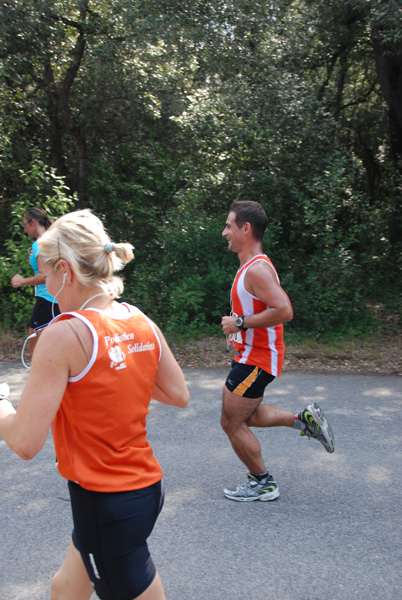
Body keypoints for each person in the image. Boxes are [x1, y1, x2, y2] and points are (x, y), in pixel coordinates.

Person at [0, 209, 190, 600]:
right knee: (65, 589)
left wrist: (1, 403)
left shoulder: (63, 334)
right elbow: (177, 393)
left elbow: (24, 442)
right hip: (142, 491)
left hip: (106, 504)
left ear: (66, 270)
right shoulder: (139, 319)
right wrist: (111, 368)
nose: (48, 285)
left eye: (48, 273)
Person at [220, 200, 335, 502]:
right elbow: (259, 309)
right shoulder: (251, 266)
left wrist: (240, 323)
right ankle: (304, 420)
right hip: (253, 355)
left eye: (229, 226)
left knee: (232, 422)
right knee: (249, 416)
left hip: (257, 359)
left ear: (246, 229)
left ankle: (263, 482)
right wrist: (239, 332)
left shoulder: (257, 269)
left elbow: (284, 310)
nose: (224, 232)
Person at [10, 207, 60, 355]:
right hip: (59, 299)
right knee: (52, 349)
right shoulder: (53, 239)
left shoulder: (40, 243)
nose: (25, 229)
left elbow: (44, 276)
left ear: (33, 222)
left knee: (35, 349)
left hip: (46, 301)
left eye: (25, 224)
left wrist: (22, 281)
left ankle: (44, 377)